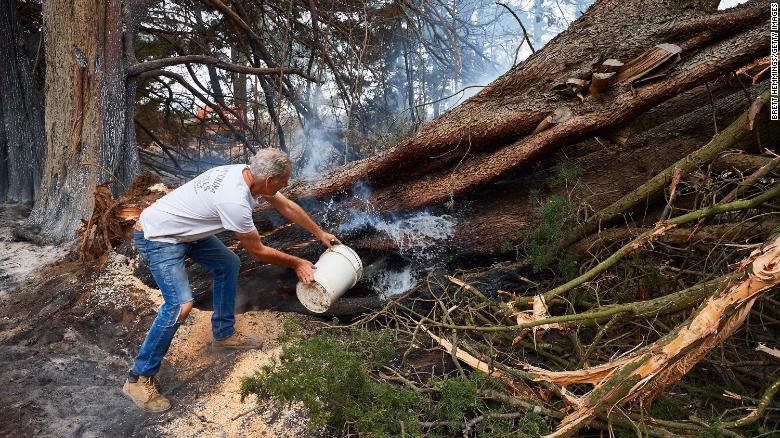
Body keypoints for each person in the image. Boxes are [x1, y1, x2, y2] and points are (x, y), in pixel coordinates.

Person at [122, 148, 338, 412]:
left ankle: (223, 335)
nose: (287, 184)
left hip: (184, 231)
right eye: (285, 180)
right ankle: (138, 377)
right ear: (270, 181)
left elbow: (287, 205)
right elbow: (257, 251)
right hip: (159, 237)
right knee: (180, 305)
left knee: (228, 263)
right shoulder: (234, 201)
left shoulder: (246, 173)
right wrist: (297, 262)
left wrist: (319, 233)